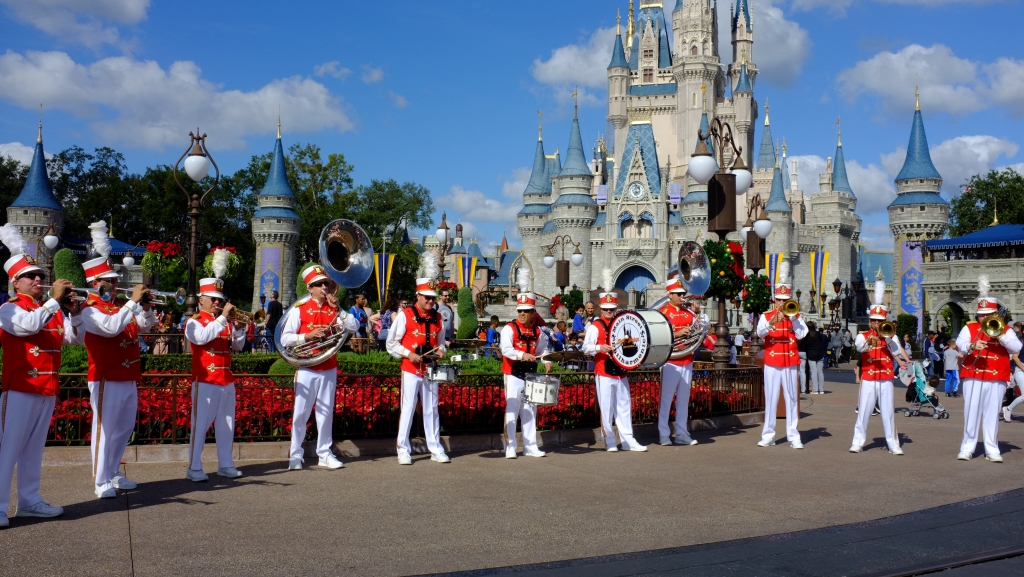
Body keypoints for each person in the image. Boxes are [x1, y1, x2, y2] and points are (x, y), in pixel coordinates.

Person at [0, 245, 82, 527]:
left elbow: (74, 339)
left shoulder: (50, 310)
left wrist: (74, 312)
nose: (38, 279)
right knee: (7, 449)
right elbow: (28, 327)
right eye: (30, 276)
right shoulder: (9, 309)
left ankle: (29, 501)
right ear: (15, 282)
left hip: (47, 388)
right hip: (20, 388)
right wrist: (55, 302)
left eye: (39, 274)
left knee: (33, 449)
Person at [79, 251, 156, 499]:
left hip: (128, 375)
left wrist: (145, 308)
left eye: (115, 280)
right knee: (105, 429)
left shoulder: (118, 307)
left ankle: (112, 472)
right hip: (106, 377)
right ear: (94, 284)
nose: (115, 285)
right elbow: (111, 329)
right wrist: (132, 302)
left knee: (123, 428)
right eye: (110, 281)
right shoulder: (88, 309)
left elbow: (144, 327)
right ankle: (100, 480)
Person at [281, 265, 358, 471]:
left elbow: (354, 326)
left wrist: (339, 309)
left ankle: (324, 453)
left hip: (329, 366)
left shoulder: (335, 309)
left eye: (326, 283)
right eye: (319, 284)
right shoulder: (300, 309)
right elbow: (285, 339)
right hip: (307, 366)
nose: (324, 286)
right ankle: (295, 454)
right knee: (300, 414)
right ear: (310, 288)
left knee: (325, 414)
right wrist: (307, 336)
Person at [184, 277, 246, 481]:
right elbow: (202, 338)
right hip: (205, 380)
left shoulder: (225, 322)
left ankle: (226, 464)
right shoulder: (193, 322)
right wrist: (223, 320)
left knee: (226, 425)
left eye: (220, 299)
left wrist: (238, 328)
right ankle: (194, 468)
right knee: (200, 425)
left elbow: (238, 346)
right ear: (201, 300)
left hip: (226, 380)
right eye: (213, 299)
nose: (217, 303)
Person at [386, 276, 450, 465]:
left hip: (430, 369)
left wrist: (441, 351)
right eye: (426, 297)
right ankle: (403, 449)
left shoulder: (438, 317)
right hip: (411, 368)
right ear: (418, 296)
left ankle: (435, 448)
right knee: (408, 409)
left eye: (432, 297)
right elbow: (391, 344)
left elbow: (441, 343)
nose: (430, 301)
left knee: (432, 409)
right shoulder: (405, 314)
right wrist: (408, 353)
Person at [957, 285, 1021, 462]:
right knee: (971, 411)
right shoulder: (970, 328)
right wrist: (971, 346)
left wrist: (1000, 334)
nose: (983, 317)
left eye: (987, 314)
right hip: (973, 375)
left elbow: (1017, 347)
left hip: (996, 376)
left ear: (995, 314)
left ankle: (992, 449)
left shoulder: (1006, 330)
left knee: (992, 413)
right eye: (981, 314)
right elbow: (960, 344)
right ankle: (967, 448)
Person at [583, 292, 647, 452]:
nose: (608, 312)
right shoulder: (594, 326)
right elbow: (585, 348)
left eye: (611, 309)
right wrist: (599, 347)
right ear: (600, 309)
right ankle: (609, 440)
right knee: (606, 408)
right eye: (606, 309)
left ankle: (628, 441)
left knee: (624, 406)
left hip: (621, 371)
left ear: (616, 308)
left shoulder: (623, 322)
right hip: (603, 371)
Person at [756, 263, 807, 449]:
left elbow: (802, 334)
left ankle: (793, 435)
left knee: (792, 398)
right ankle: (768, 435)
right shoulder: (766, 315)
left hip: (790, 361)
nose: (782, 303)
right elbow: (760, 333)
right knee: (771, 398)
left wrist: (793, 319)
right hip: (772, 361)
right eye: (779, 300)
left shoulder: (795, 316)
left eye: (785, 300)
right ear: (774, 300)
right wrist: (771, 322)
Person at [851, 301, 909, 455]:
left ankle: (893, 444)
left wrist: (887, 336)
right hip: (869, 377)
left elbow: (896, 351)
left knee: (888, 411)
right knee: (864, 411)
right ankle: (857, 442)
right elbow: (859, 347)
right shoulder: (862, 335)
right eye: (874, 320)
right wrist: (869, 342)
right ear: (870, 321)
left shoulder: (891, 335)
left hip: (886, 377)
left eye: (880, 321)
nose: (876, 323)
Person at [499, 292, 552, 458]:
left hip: (530, 375)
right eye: (520, 310)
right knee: (512, 410)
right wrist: (522, 355)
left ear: (533, 312)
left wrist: (546, 361)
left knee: (530, 410)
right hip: (513, 374)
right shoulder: (509, 328)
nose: (522, 313)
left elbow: (543, 350)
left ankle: (530, 446)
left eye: (527, 310)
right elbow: (506, 350)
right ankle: (510, 446)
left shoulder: (538, 332)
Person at [657, 277, 699, 446]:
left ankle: (682, 433)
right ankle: (664, 434)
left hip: (686, 360)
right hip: (670, 361)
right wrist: (678, 333)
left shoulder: (689, 313)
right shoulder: (663, 312)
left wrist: (699, 318)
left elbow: (700, 331)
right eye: (679, 294)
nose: (683, 296)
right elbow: (659, 336)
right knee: (666, 399)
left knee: (683, 400)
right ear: (670, 294)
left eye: (683, 293)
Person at [805, 321, 827, 394]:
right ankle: (821, 389)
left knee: (814, 373)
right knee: (820, 372)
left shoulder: (807, 335)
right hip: (819, 353)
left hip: (811, 354)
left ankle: (815, 389)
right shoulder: (818, 334)